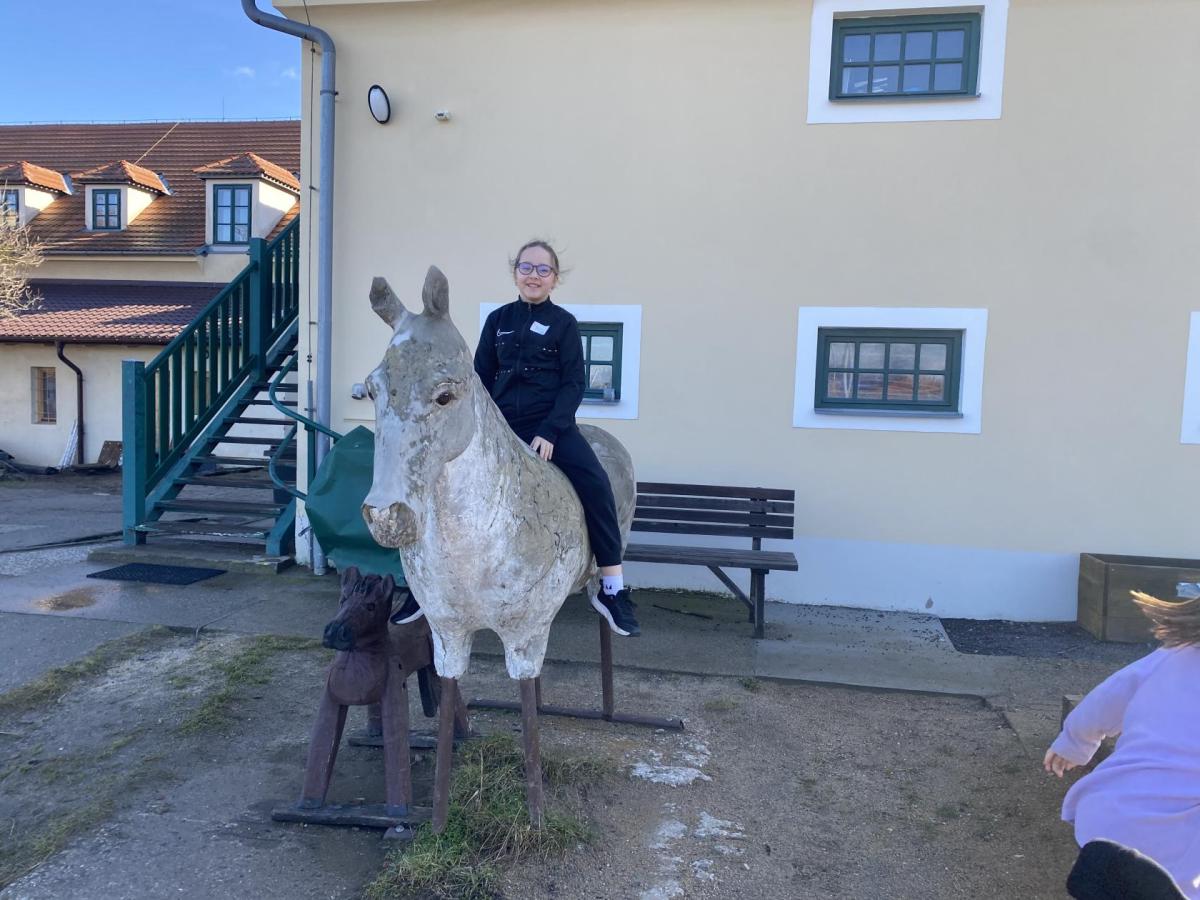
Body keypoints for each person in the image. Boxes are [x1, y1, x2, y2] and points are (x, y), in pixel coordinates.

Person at [470, 239, 639, 636]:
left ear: (555, 279)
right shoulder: (497, 320)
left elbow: (574, 383)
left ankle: (611, 588)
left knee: (597, 483)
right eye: (526, 268)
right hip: (500, 428)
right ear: (515, 273)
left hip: (551, 427)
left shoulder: (564, 324)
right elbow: (479, 379)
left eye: (543, 270)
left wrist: (549, 430)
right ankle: (425, 588)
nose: (534, 276)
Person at [1043, 590, 1199, 899]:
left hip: (1109, 811)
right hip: (1177, 843)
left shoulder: (1171, 655)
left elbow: (1108, 697)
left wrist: (1074, 742)